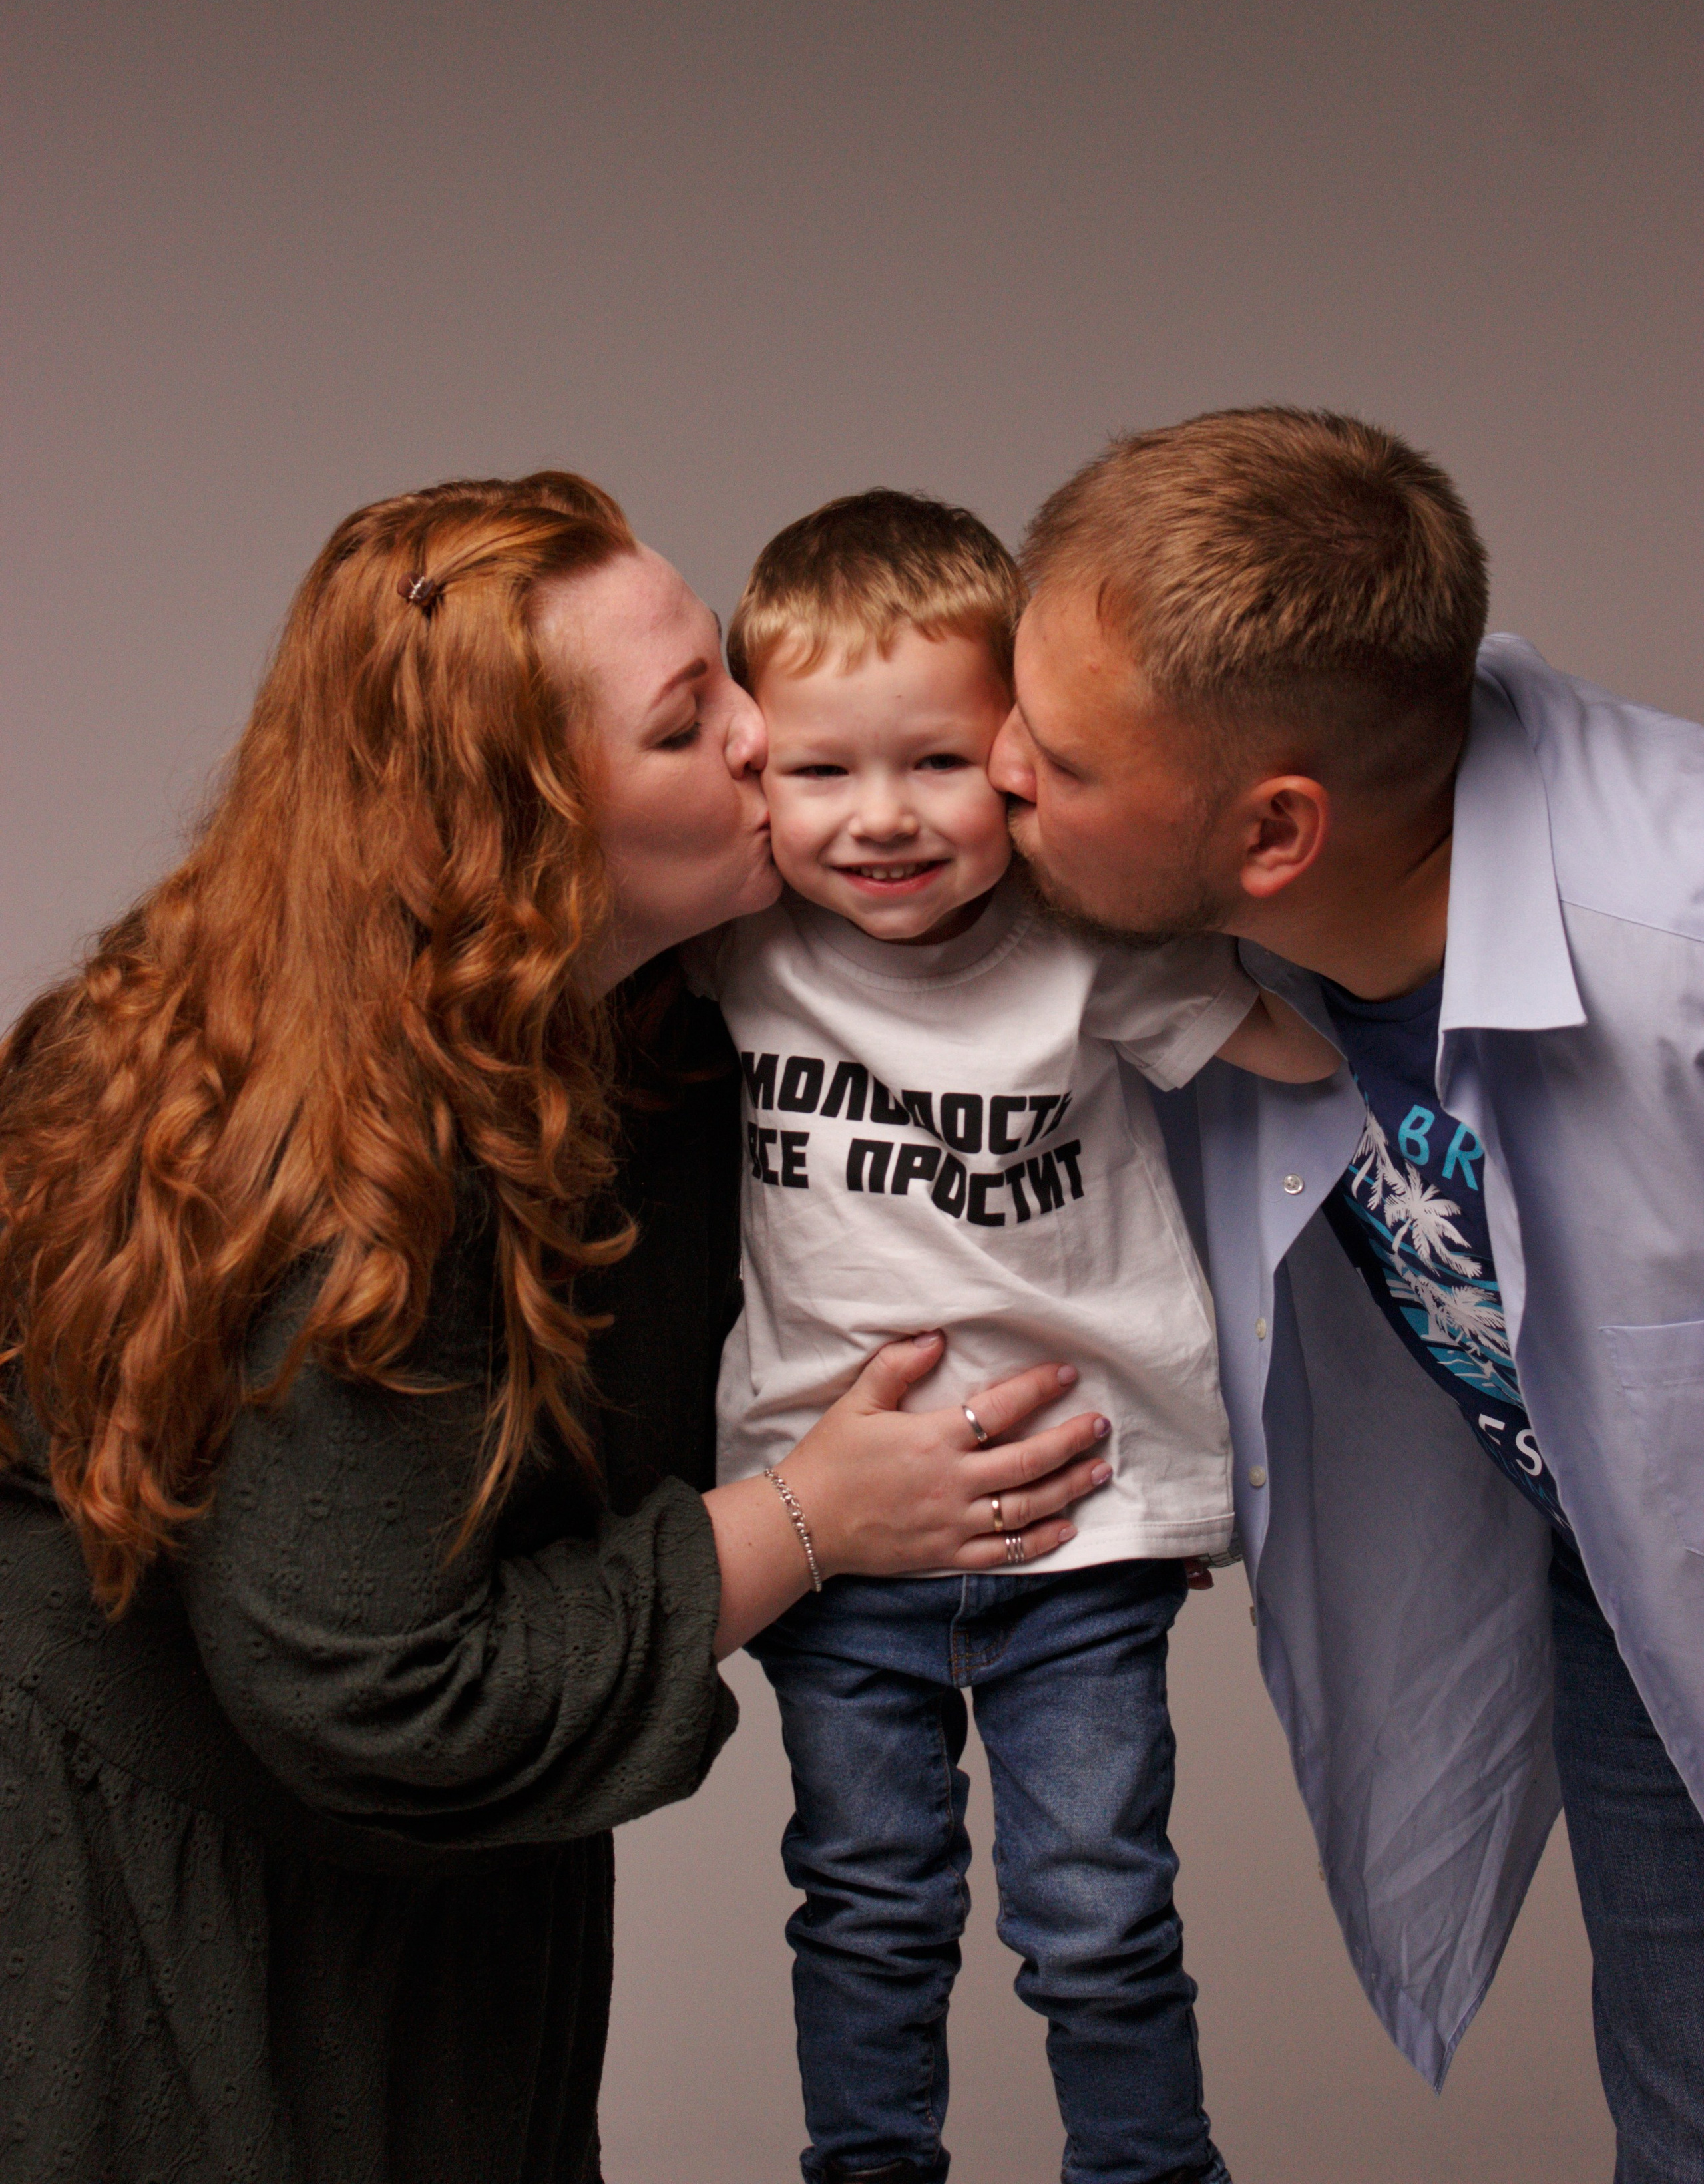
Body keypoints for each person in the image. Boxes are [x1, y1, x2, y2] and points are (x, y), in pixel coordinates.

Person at [0, 471, 1112, 2184]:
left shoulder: (660, 1026)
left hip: (427, 1906)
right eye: (684, 724)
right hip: (162, 1925)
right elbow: (380, 1689)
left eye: (722, 669)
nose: (761, 732)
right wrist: (811, 1518)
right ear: (518, 838)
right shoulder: (346, 1161)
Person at [991, 407, 1704, 2183]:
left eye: (1057, 759)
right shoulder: (1207, 932)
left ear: (1275, 831)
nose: (993, 769)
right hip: (1632, 1593)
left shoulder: (1677, 940)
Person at [686, 490, 1335, 2184]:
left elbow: (1305, 1051)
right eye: (821, 770)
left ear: (1020, 763)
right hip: (828, 1538)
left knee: (1098, 1918)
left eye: (937, 762)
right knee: (867, 1910)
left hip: (1082, 1527)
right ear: (754, 772)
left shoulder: (1085, 951)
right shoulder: (735, 950)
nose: (881, 818)